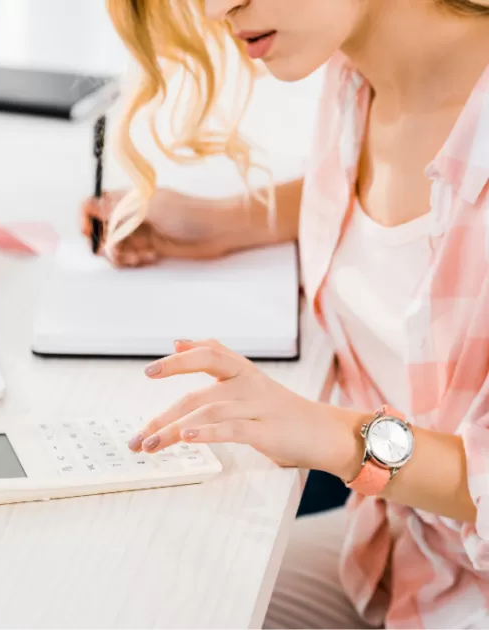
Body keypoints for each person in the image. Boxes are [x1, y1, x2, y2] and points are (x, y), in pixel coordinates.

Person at [81, 0, 489, 628]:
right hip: (410, 560)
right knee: (138, 595)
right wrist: (221, 223)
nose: (217, 10)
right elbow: (404, 210)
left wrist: (332, 435)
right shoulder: (354, 74)